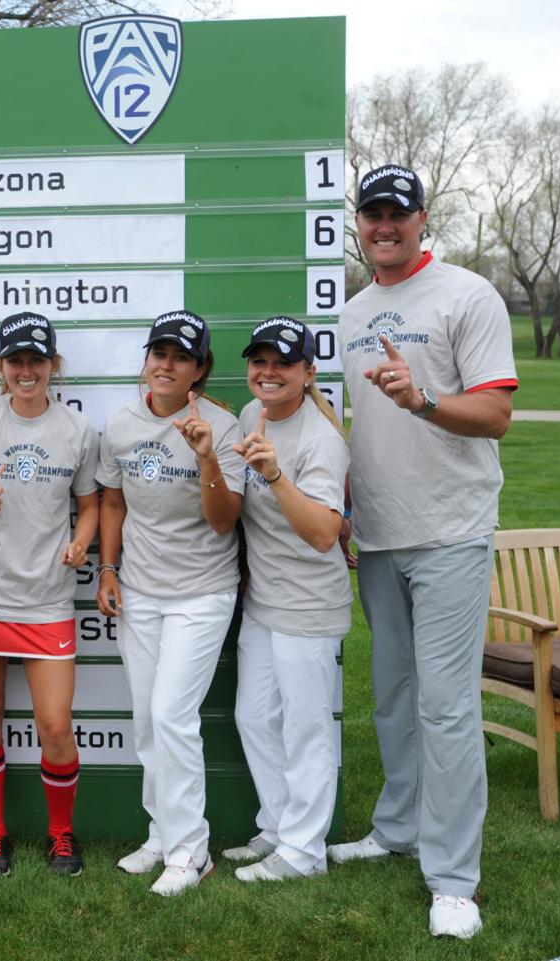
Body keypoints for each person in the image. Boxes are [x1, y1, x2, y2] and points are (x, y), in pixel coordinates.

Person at [329, 165, 518, 940]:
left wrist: (426, 400)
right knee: (396, 698)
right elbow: (357, 426)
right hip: (378, 533)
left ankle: (453, 879)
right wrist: (343, 502)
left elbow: (497, 412)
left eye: (397, 214)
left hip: (450, 531)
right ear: (362, 222)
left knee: (446, 708)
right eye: (372, 214)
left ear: (421, 219)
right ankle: (397, 828)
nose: (384, 226)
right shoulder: (352, 312)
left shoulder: (468, 295)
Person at [0, 311, 100, 878]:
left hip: (47, 600)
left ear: (54, 366)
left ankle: (61, 835)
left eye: (37, 360)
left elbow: (91, 503)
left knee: (56, 727)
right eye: (16, 361)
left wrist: (82, 541)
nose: (26, 371)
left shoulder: (77, 431)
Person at [94, 310, 244, 897]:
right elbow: (113, 503)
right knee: (147, 719)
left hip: (202, 592)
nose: (166, 364)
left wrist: (206, 456)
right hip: (140, 590)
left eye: (181, 356)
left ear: (198, 370)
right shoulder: (122, 424)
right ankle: (162, 834)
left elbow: (224, 521)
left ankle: (191, 853)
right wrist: (108, 568)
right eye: (159, 353)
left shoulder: (222, 428)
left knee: (173, 718)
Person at [218, 317, 351, 884]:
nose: (268, 373)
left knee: (306, 729)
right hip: (266, 602)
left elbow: (323, 533)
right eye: (260, 361)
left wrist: (275, 475)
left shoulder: (322, 438)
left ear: (308, 372)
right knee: (253, 717)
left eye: (283, 363)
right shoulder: (253, 415)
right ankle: (278, 825)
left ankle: (304, 852)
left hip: (309, 607)